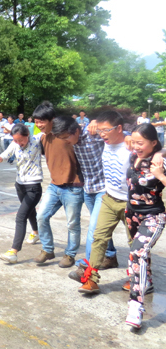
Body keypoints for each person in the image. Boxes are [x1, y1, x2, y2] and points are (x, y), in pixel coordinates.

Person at [51, 116, 119, 279]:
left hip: (104, 189)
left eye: (66, 137)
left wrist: (96, 121)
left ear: (76, 131)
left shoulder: (93, 134)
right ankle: (110, 256)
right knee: (102, 226)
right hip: (88, 190)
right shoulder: (73, 137)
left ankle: (87, 267)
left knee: (94, 229)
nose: (66, 142)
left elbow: (120, 132)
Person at [75, 112, 133, 294]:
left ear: (119, 128)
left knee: (135, 243)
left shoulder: (132, 145)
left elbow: (156, 149)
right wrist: (93, 123)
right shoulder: (104, 142)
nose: (102, 134)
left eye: (106, 130)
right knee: (99, 238)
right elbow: (81, 132)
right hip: (108, 199)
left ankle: (139, 279)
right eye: (100, 131)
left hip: (131, 203)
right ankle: (91, 280)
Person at [123, 124, 166, 328]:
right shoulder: (134, 156)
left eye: (140, 143)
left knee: (137, 253)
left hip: (153, 216)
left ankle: (136, 304)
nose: (135, 146)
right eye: (133, 142)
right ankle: (146, 284)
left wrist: (160, 175)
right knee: (142, 254)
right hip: (132, 214)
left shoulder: (160, 161)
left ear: (153, 142)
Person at [33, 101, 84, 268]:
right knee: (41, 216)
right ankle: (48, 249)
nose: (39, 125)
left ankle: (70, 254)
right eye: (36, 121)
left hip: (74, 187)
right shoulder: (43, 138)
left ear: (52, 120)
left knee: (72, 224)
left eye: (42, 121)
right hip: (54, 186)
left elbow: (85, 135)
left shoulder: (67, 135)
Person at [0, 124, 43, 263]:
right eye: (15, 140)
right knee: (30, 211)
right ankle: (36, 232)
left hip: (33, 186)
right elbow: (6, 154)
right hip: (20, 184)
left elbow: (50, 131)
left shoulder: (37, 140)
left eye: (21, 140)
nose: (18, 143)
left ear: (27, 135)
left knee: (21, 217)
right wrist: (0, 157)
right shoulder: (15, 144)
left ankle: (14, 251)